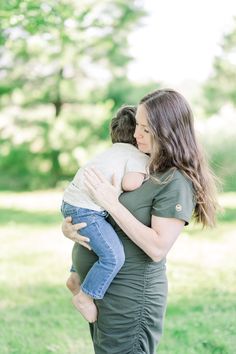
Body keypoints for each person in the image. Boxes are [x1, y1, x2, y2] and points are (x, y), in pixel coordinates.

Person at [61, 89, 218, 354]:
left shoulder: (175, 181)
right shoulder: (140, 167)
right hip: (104, 294)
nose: (135, 135)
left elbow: (158, 248)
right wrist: (70, 227)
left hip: (131, 299)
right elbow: (103, 217)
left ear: (167, 130)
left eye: (145, 129)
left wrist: (111, 202)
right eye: (137, 127)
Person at [61, 105, 149, 323]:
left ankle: (74, 277)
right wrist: (146, 174)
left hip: (72, 202)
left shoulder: (109, 153)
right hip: (87, 208)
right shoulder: (138, 156)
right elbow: (130, 183)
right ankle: (86, 296)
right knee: (113, 256)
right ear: (137, 134)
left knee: (93, 239)